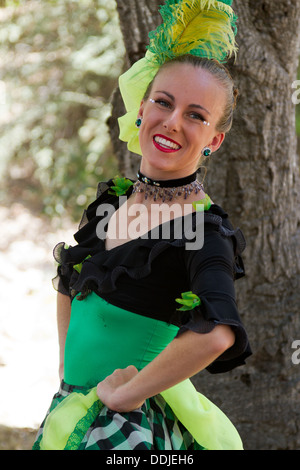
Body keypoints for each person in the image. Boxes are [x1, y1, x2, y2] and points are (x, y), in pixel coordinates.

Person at [33, 0, 252, 450]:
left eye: (195, 114)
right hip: (73, 410)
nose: (172, 122)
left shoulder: (203, 231)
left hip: (125, 430)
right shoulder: (112, 200)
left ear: (214, 139)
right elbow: (69, 278)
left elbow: (218, 332)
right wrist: (67, 374)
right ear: (142, 107)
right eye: (163, 102)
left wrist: (126, 394)